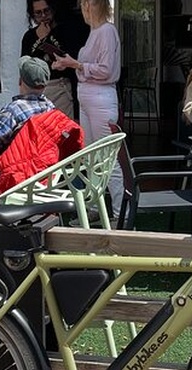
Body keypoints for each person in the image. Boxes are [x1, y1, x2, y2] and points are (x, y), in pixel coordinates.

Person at [51, 0, 123, 221]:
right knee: (91, 156)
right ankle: (95, 207)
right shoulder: (94, 32)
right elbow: (89, 67)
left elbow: (106, 70)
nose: (85, 8)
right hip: (88, 98)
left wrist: (76, 65)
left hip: (100, 100)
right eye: (83, 3)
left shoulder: (106, 31)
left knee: (107, 157)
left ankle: (120, 212)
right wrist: (69, 64)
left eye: (88, 3)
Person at [0, 56, 83, 202]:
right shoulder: (51, 109)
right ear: (45, 84)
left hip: (14, 177)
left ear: (20, 81)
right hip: (45, 177)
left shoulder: (13, 110)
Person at [20, 0, 87, 119]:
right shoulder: (29, 37)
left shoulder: (65, 32)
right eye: (38, 13)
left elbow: (71, 64)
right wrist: (39, 39)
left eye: (46, 11)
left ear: (53, 9)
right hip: (36, 91)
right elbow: (25, 65)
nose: (43, 16)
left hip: (61, 88)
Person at [0, 56, 56, 155]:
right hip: (41, 160)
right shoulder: (50, 107)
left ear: (20, 81)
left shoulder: (13, 110)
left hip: (12, 162)